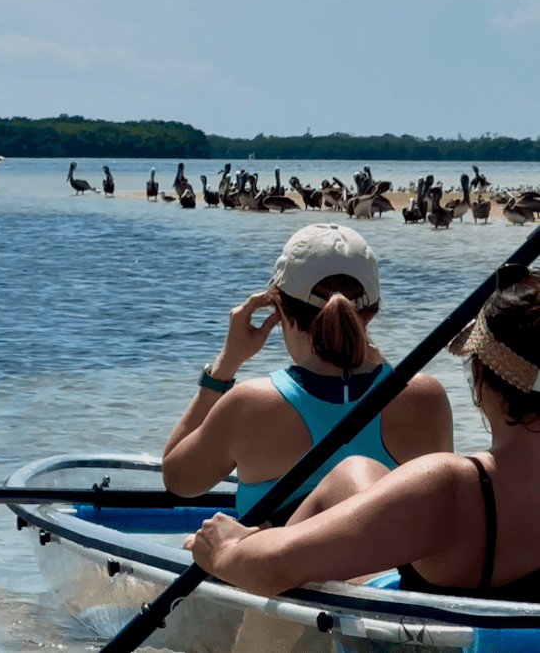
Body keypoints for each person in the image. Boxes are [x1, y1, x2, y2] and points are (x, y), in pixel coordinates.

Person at [189, 263, 540, 600]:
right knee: (357, 474)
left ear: (481, 383)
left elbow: (269, 569)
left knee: (345, 479)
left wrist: (225, 550)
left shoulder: (446, 486)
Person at [163, 223, 452, 525]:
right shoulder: (424, 398)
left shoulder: (249, 405)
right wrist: (374, 358)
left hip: (284, 571)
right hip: (384, 570)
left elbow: (179, 481)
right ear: (373, 310)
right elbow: (442, 514)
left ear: (279, 309)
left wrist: (225, 365)